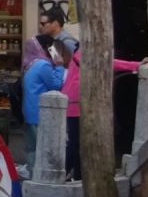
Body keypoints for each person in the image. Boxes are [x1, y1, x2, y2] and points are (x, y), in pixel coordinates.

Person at [60, 37, 143, 179]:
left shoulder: (83, 53)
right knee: (75, 143)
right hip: (75, 103)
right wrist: (136, 65)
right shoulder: (84, 54)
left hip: (78, 102)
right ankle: (63, 173)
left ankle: (78, 176)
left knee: (81, 144)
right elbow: (109, 63)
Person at [20, 35, 66, 175]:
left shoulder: (31, 64)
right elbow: (55, 85)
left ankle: (31, 172)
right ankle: (39, 175)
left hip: (29, 112)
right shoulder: (43, 65)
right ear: (47, 48)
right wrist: (59, 65)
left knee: (31, 147)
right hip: (39, 113)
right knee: (41, 146)